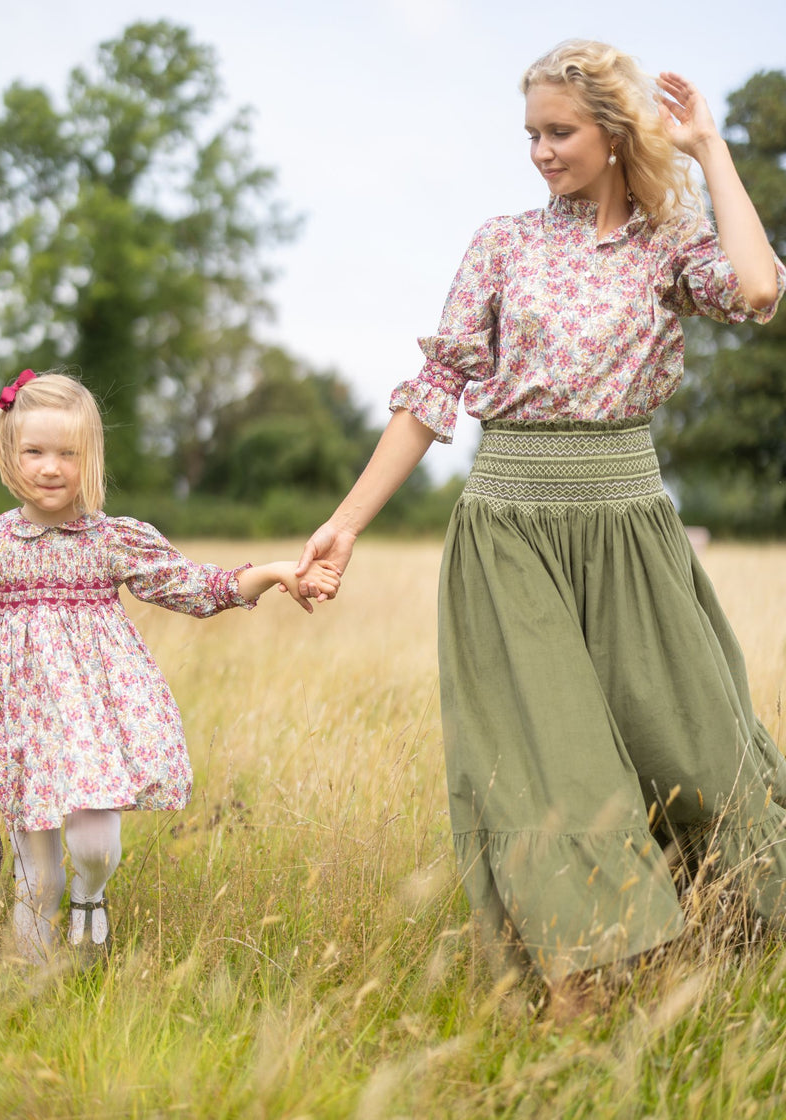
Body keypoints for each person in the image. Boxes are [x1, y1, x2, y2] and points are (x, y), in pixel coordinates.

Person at [295, 40, 786, 1003]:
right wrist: (345, 524)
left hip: (629, 526)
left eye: (558, 133)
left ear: (611, 132)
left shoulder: (667, 245)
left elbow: (761, 289)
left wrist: (710, 152)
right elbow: (434, 389)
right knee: (549, 767)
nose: (541, 153)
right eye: (531, 135)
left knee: (693, 747)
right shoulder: (504, 242)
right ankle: (578, 983)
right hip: (510, 525)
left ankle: (722, 951)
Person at [0, 369, 340, 967]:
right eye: (34, 451)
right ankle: (36, 994)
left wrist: (276, 571)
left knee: (93, 845)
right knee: (35, 878)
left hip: (92, 720)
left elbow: (195, 586)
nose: (51, 467)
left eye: (68, 453)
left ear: (91, 457)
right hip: (21, 724)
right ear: (8, 453)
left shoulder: (113, 540)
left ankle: (91, 898)